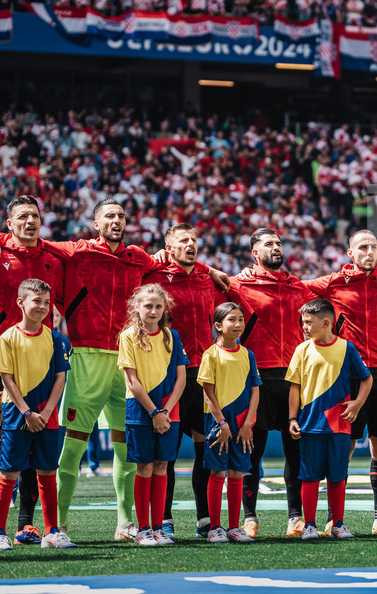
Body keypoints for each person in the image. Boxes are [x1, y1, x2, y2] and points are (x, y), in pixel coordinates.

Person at [0, 198, 195, 542]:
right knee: (73, 447)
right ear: (96, 224)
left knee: (127, 448)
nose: (117, 220)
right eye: (109, 216)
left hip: (128, 358)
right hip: (87, 357)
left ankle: (125, 524)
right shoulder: (77, 250)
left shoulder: (139, 257)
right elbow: (32, 240)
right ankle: (58, 526)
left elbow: (174, 264)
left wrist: (214, 272)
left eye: (121, 215)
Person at [0, 196, 64, 547]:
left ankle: (27, 526)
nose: (30, 221)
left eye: (35, 215)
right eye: (22, 216)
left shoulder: (52, 258)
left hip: (41, 360)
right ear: (9, 223)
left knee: (34, 437)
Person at [303, 230, 377, 536]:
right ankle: (333, 519)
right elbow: (295, 289)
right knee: (343, 447)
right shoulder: (333, 282)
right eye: (363, 247)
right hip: (347, 374)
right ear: (351, 253)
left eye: (373, 246)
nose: (370, 251)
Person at [226, 228, 311, 537]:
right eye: (268, 244)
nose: (276, 247)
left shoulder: (298, 286)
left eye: (278, 243)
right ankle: (249, 518)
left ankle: (295, 518)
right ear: (255, 253)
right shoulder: (238, 285)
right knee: (252, 451)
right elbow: (209, 283)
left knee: (295, 453)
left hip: (293, 378)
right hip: (256, 379)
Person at [144, 222, 221, 538]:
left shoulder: (207, 278)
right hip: (169, 375)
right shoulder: (153, 277)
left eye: (193, 239)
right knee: (167, 453)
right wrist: (153, 259)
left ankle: (205, 519)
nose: (191, 244)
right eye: (183, 240)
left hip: (203, 376)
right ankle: (164, 519)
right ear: (169, 247)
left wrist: (210, 269)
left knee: (206, 450)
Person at [0, 279, 74, 551]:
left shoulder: (57, 339)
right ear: (20, 302)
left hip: (47, 416)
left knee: (48, 471)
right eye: (37, 301)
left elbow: (60, 378)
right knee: (9, 472)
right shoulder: (8, 338)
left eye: (47, 302)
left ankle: (51, 532)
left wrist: (46, 412)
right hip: (17, 414)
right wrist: (27, 412)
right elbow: (6, 379)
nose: (43, 307)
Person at [287, 298, 373, 541]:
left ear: (326, 323)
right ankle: (309, 525)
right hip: (309, 425)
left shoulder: (347, 348)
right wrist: (292, 418)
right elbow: (294, 386)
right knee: (310, 477)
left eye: (308, 322)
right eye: (303, 322)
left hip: (339, 426)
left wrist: (357, 403)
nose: (303, 326)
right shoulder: (301, 350)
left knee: (337, 477)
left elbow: (367, 378)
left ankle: (337, 524)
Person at [118, 284, 188, 547]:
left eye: (159, 306)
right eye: (148, 306)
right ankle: (143, 529)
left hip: (169, 413)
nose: (154, 311)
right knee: (144, 467)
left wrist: (165, 412)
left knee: (162, 467)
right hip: (140, 412)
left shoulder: (172, 336)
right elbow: (132, 381)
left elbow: (181, 379)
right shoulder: (128, 336)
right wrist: (155, 412)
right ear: (137, 307)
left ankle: (159, 527)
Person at [198, 302, 260, 544]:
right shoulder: (210, 354)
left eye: (240, 319)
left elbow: (255, 391)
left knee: (237, 473)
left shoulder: (248, 354)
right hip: (218, 424)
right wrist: (222, 424)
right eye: (231, 320)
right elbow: (208, 394)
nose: (238, 324)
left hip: (242, 424)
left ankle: (234, 528)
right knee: (218, 471)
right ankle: (215, 528)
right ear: (218, 325)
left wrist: (247, 424)